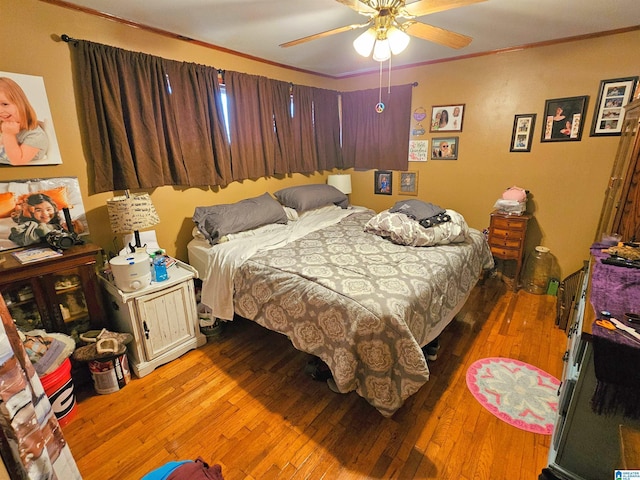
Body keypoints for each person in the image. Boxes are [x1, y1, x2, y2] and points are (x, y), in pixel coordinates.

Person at [0, 77, 49, 165]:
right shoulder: (3, 123)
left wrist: (9, 134)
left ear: (20, 103)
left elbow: (17, 161)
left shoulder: (35, 136)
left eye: (5, 104)